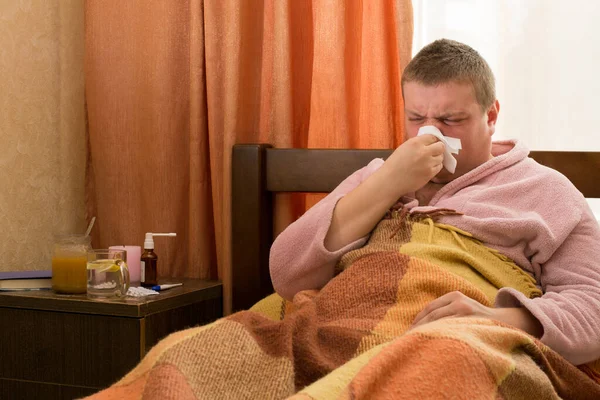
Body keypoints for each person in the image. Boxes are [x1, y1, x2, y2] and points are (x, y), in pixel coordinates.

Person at [269, 38, 600, 366]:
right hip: (343, 327)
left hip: (458, 343)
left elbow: (593, 307)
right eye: (416, 118)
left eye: (450, 120)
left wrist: (496, 318)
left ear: (491, 115)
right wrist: (388, 182)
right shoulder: (377, 179)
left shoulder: (546, 192)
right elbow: (287, 274)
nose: (431, 134)